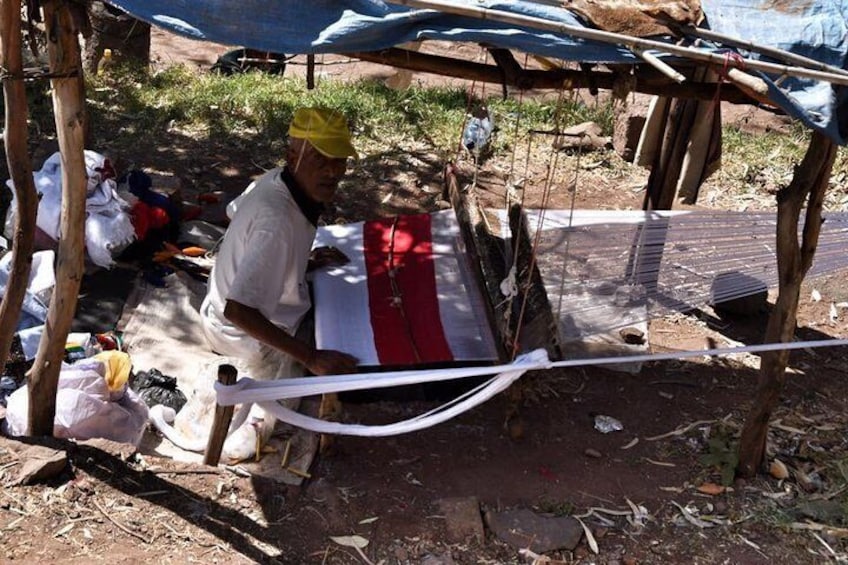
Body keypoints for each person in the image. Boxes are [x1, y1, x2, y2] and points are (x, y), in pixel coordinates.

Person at [198, 107, 359, 456]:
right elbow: (238, 311)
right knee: (320, 353)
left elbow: (234, 211)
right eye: (321, 159)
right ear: (293, 156)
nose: (333, 171)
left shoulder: (275, 179)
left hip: (215, 309)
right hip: (241, 338)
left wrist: (300, 262)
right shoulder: (278, 223)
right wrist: (311, 357)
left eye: (340, 160)